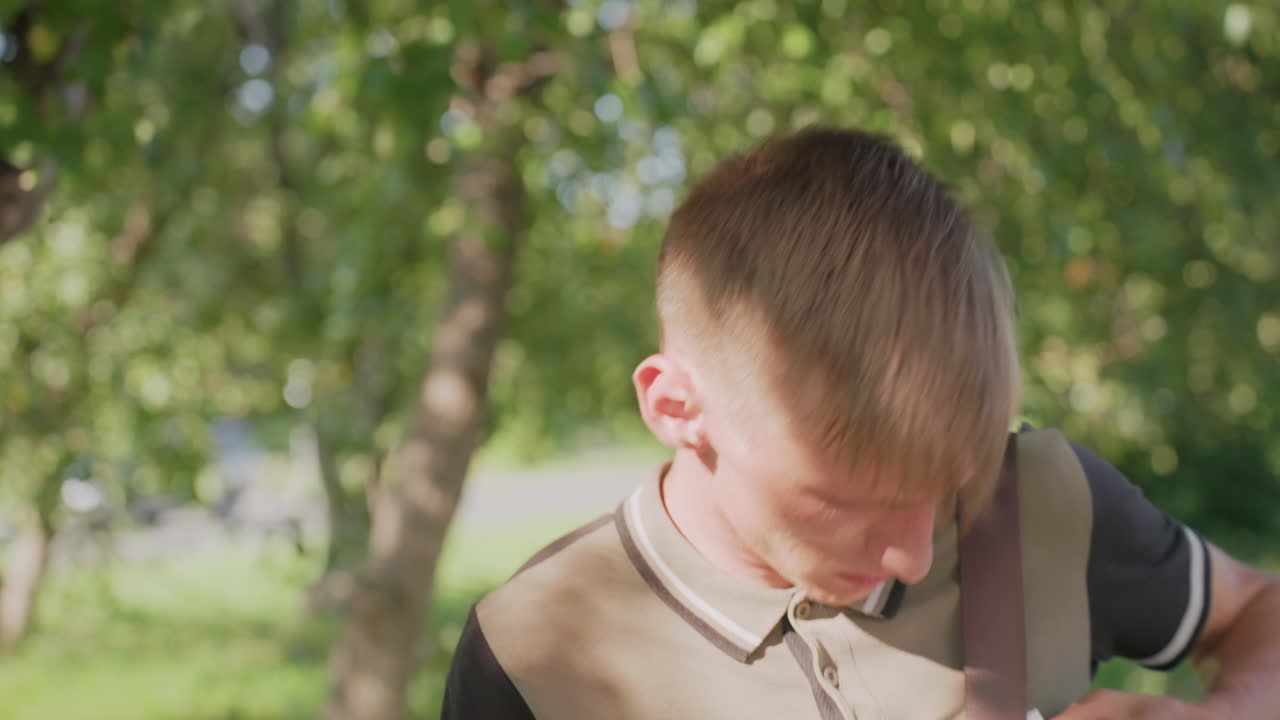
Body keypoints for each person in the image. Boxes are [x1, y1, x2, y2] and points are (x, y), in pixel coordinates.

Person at [441, 127, 1280, 719]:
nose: (913, 554)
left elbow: (1258, 614)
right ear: (675, 408)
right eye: (845, 503)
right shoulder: (528, 653)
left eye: (950, 488)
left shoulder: (1045, 501)